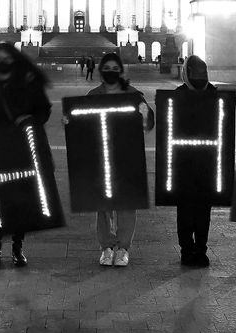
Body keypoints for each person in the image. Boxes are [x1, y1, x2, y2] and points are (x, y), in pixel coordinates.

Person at [0, 42, 51, 266]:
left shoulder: (27, 81)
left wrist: (29, 120)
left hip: (20, 147)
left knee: (20, 197)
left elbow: (43, 109)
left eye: (7, 58)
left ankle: (17, 246)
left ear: (14, 59)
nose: (3, 63)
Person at [86, 52, 154, 267]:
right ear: (101, 71)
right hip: (101, 155)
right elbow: (82, 126)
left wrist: (145, 113)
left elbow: (148, 123)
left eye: (116, 69)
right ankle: (106, 247)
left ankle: (123, 248)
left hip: (126, 155)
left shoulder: (133, 94)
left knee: (126, 202)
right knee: (103, 204)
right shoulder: (93, 95)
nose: (112, 72)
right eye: (108, 69)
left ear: (121, 71)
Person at [170, 55, 220, 267]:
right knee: (186, 209)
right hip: (184, 162)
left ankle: (200, 248)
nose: (199, 77)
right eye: (195, 73)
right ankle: (186, 248)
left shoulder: (214, 94)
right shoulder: (178, 95)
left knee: (202, 210)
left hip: (206, 161)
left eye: (202, 72)